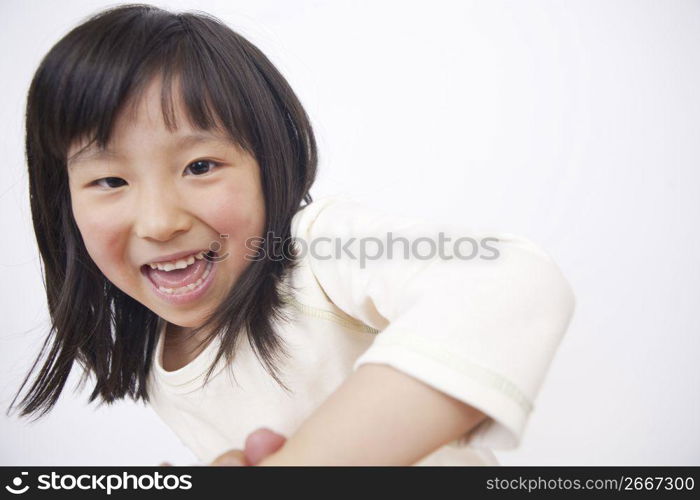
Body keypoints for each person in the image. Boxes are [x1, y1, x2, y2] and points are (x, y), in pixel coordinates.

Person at [7, 3, 576, 466]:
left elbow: (504, 277)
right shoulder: (156, 355)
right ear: (63, 202)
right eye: (110, 180)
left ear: (268, 161)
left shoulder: (317, 248)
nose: (160, 222)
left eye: (200, 166)